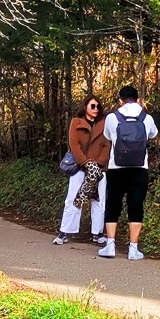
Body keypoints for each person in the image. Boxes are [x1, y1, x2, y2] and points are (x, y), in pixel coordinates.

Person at [99, 86, 158, 260]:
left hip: (116, 167)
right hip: (140, 168)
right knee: (136, 205)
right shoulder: (146, 118)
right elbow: (153, 134)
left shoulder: (111, 117)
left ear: (120, 101)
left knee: (113, 204)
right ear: (138, 100)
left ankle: (110, 246)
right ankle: (133, 249)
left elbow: (108, 136)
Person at [57, 96, 109, 246]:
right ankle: (65, 232)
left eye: (98, 107)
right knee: (73, 198)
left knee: (98, 201)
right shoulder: (76, 122)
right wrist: (85, 163)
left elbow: (107, 145)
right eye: (93, 106)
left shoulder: (104, 125)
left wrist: (97, 164)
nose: (96, 109)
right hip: (80, 167)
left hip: (99, 169)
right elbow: (74, 145)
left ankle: (97, 233)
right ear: (85, 106)